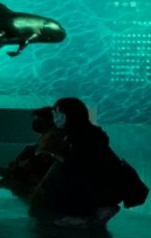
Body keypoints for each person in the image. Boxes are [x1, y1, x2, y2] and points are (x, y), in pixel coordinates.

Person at [32, 97, 125, 227]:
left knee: (59, 172)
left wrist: (51, 153)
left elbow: (79, 164)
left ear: (71, 115)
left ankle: (84, 213)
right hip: (102, 184)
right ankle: (90, 209)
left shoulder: (85, 135)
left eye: (59, 115)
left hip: (103, 185)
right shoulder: (78, 133)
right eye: (55, 115)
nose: (56, 119)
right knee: (58, 171)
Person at [0, 107, 65, 192]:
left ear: (49, 121)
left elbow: (44, 156)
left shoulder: (53, 136)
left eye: (38, 120)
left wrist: (22, 166)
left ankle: (16, 172)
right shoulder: (48, 134)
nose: (35, 123)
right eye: (35, 119)